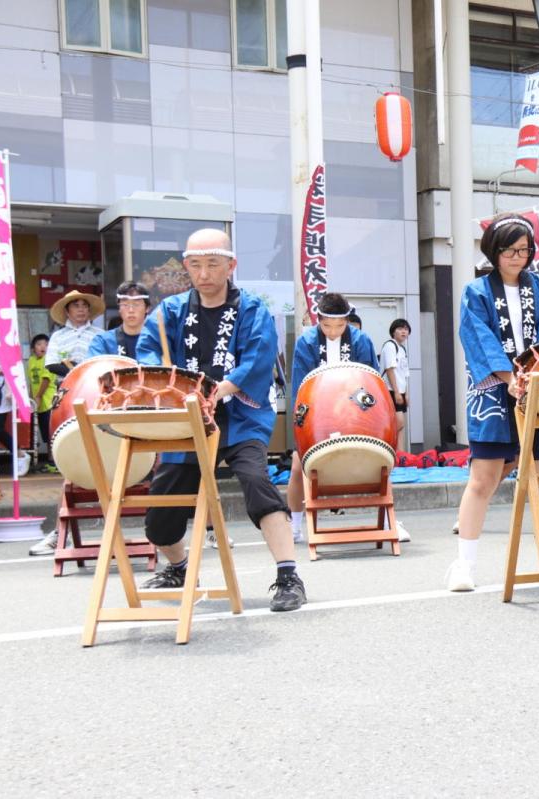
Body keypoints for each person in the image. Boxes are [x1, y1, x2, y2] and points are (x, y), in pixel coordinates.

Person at [135, 228, 306, 613]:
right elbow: (149, 353)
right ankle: (178, 568)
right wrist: (171, 387)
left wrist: (219, 391)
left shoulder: (252, 309)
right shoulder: (171, 312)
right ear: (186, 267)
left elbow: (258, 358)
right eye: (196, 265)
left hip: (239, 416)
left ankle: (288, 575)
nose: (205, 273)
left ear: (231, 265)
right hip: (186, 419)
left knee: (257, 481)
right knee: (162, 507)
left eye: (213, 264)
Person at [448, 213, 539, 592]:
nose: (517, 257)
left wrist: (532, 377)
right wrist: (510, 378)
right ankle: (464, 565)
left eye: (523, 250)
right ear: (494, 251)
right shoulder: (476, 292)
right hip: (493, 392)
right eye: (509, 250)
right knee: (483, 479)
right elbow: (478, 338)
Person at [287, 293, 409, 545]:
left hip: (355, 413)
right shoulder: (306, 342)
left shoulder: (361, 340)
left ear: (347, 320)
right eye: (327, 326)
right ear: (317, 319)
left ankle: (388, 519)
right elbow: (301, 387)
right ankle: (295, 524)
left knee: (382, 461)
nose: (333, 331)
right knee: (298, 466)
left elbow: (371, 383)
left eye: (340, 325)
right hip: (317, 414)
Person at [45, 289, 104, 378]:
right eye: (76, 306)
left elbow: (106, 362)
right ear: (67, 311)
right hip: (66, 386)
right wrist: (77, 372)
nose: (81, 309)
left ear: (88, 310)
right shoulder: (58, 336)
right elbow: (51, 364)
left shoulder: (100, 334)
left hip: (94, 385)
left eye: (84, 306)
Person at [88, 281, 151, 358]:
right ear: (119, 308)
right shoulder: (102, 341)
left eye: (136, 304)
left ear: (147, 308)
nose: (131, 310)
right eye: (125, 304)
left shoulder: (157, 340)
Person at [379, 318, 411, 449]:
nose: (404, 332)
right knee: (398, 423)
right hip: (390, 390)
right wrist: (397, 392)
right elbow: (390, 369)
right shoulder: (390, 346)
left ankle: (401, 455)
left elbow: (404, 373)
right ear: (393, 332)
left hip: (400, 391)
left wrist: (406, 394)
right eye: (400, 329)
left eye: (406, 329)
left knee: (401, 425)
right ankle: (391, 451)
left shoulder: (402, 349)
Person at [26, 334, 54, 457]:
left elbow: (46, 380)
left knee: (50, 432)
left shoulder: (49, 359)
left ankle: (52, 460)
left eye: (46, 344)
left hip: (48, 401)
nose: (43, 346)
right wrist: (31, 399)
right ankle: (46, 459)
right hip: (37, 403)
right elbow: (32, 381)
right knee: (43, 433)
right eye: (39, 344)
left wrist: (38, 396)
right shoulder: (31, 361)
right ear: (33, 349)